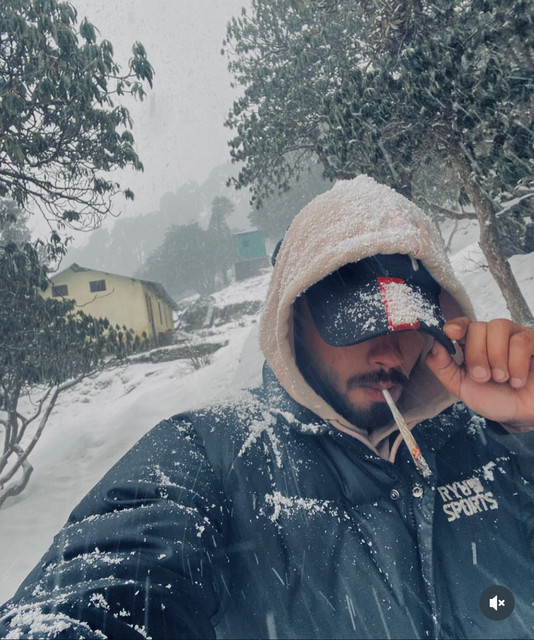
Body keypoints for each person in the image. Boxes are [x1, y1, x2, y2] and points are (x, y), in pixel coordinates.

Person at [1, 175, 534, 639]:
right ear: (292, 319)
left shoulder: (495, 438)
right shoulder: (210, 453)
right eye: (356, 324)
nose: (389, 352)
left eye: (407, 323)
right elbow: (101, 588)